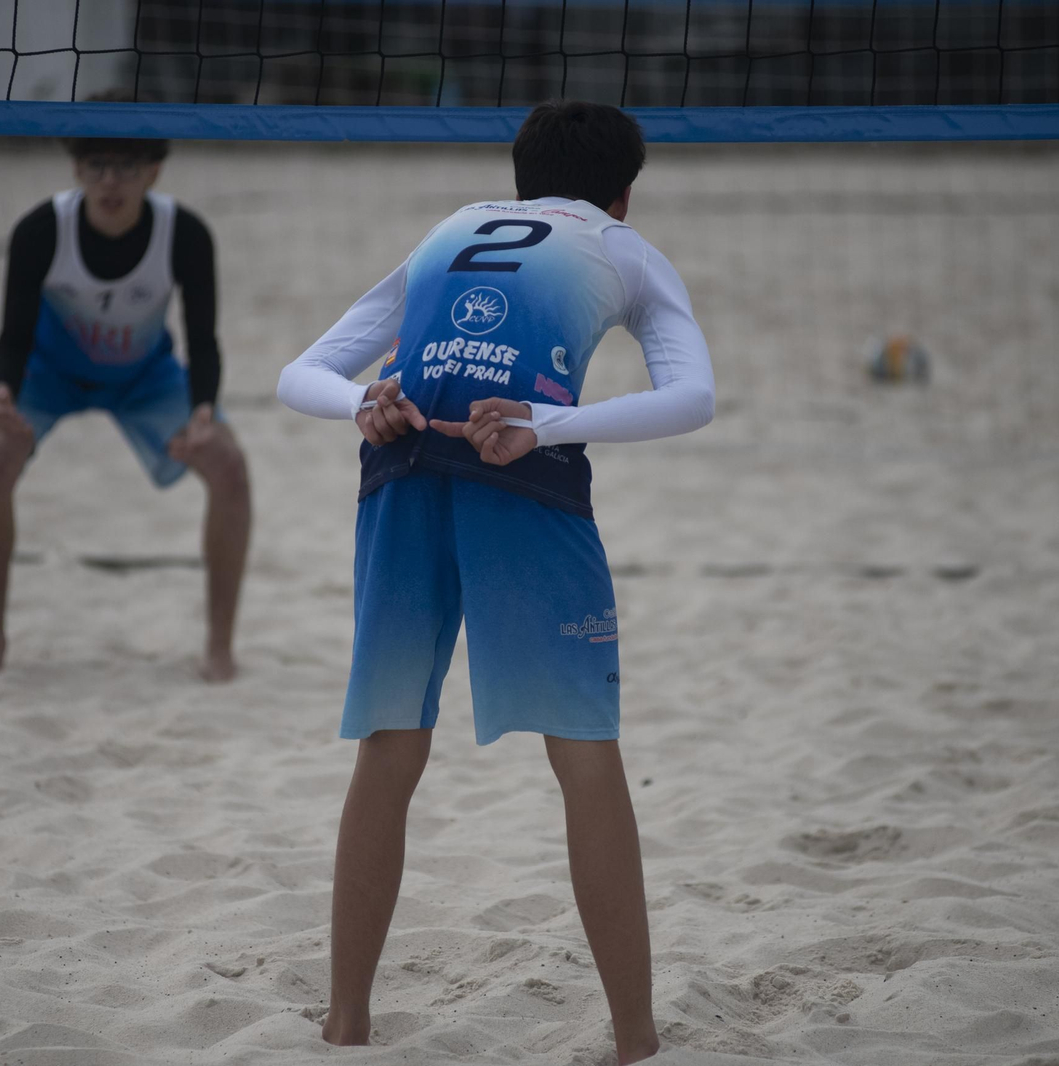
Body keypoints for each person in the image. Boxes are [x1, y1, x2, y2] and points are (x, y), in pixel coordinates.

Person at [276, 100, 714, 1064]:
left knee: (388, 749)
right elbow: (693, 399)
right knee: (585, 757)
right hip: (521, 474)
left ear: (517, 179)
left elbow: (298, 374)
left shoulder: (448, 230)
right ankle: (637, 1043)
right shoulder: (622, 248)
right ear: (625, 193)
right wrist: (548, 425)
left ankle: (345, 1027)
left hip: (399, 471)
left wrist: (365, 404)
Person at [0, 98, 250, 680]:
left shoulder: (184, 232)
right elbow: (13, 335)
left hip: (144, 376)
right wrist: (1, 395)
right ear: (76, 168)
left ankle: (219, 648)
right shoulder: (42, 229)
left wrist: (202, 412)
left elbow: (204, 339)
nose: (110, 180)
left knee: (229, 465)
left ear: (154, 171)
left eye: (126, 165)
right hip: (48, 373)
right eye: (96, 164)